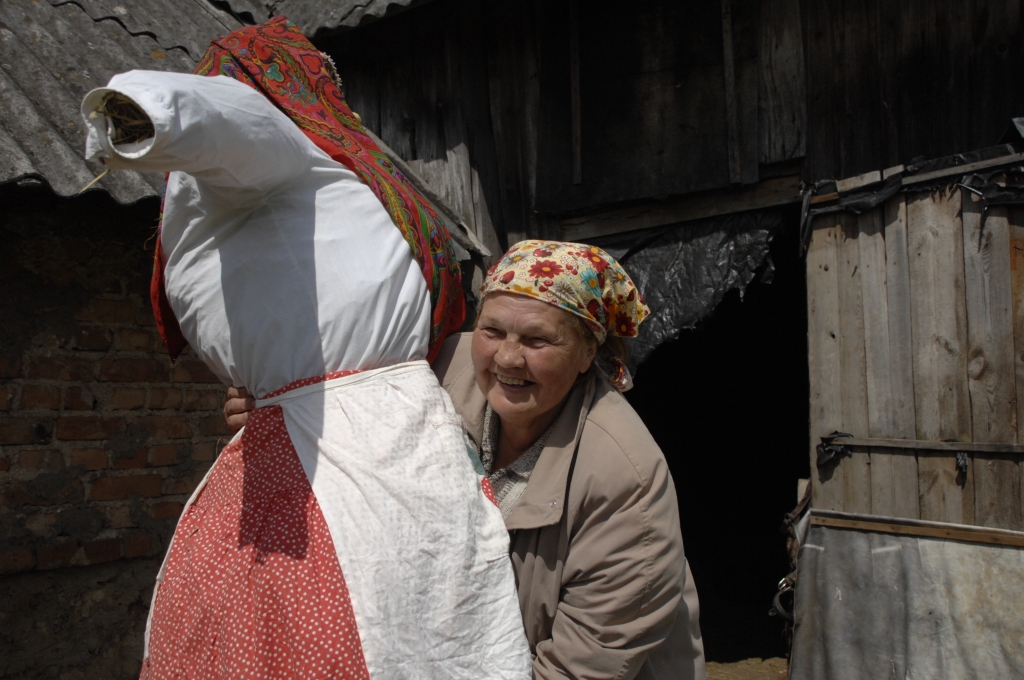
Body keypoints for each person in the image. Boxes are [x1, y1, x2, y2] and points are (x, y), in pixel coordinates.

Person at [82, 20, 530, 680]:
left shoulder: (290, 180)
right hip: (349, 466)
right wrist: (142, 112)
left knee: (429, 634)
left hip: (371, 443)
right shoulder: (276, 151)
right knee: (381, 641)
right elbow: (231, 120)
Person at [227, 240, 707, 680]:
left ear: (586, 353)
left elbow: (579, 667)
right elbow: (354, 417)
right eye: (492, 330)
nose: (508, 359)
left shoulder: (625, 483)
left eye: (538, 341)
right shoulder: (438, 369)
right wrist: (285, 410)